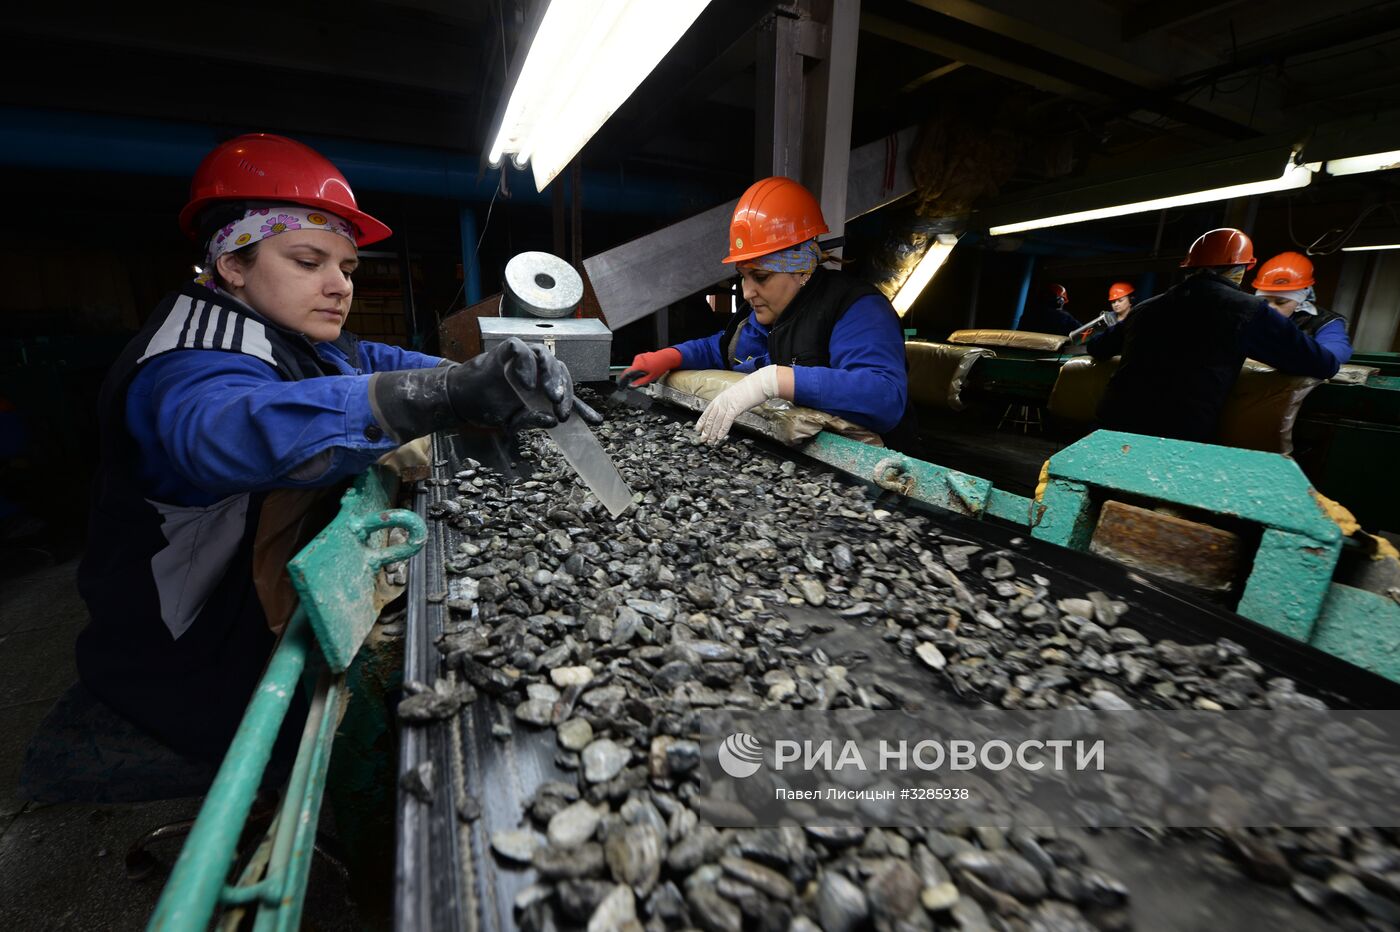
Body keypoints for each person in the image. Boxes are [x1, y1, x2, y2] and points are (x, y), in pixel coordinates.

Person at [75, 133, 596, 762]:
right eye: (306, 261)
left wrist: (488, 380)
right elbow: (227, 431)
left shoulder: (295, 334)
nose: (339, 286)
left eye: (346, 268)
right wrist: (438, 397)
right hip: (193, 645)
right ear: (232, 264)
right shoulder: (189, 355)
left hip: (255, 593)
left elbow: (372, 360)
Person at [618, 176, 912, 447]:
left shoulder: (857, 309)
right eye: (743, 276)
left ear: (801, 269)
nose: (747, 292)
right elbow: (722, 349)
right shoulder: (765, 316)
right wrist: (669, 357)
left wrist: (774, 381)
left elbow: (884, 398)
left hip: (883, 479)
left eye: (760, 277)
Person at [1086, 228, 1342, 444]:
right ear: (1245, 267)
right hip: (1176, 440)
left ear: (1189, 266)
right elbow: (1324, 364)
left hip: (1111, 427)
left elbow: (1097, 348)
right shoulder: (1249, 312)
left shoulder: (1146, 307)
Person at [1253, 251, 1353, 370]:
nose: (1270, 307)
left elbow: (1333, 355)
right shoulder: (1250, 313)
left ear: (1300, 300)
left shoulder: (1326, 322)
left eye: (1281, 302)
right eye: (1264, 302)